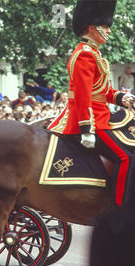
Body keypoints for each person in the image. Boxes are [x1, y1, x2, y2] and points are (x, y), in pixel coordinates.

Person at [48, 0, 135, 210]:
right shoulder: (85, 55)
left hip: (102, 116)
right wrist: (87, 129)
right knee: (126, 158)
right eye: (105, 27)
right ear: (91, 28)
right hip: (91, 121)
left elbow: (101, 91)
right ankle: (120, 209)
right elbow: (82, 96)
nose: (109, 31)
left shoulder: (94, 53)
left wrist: (120, 98)